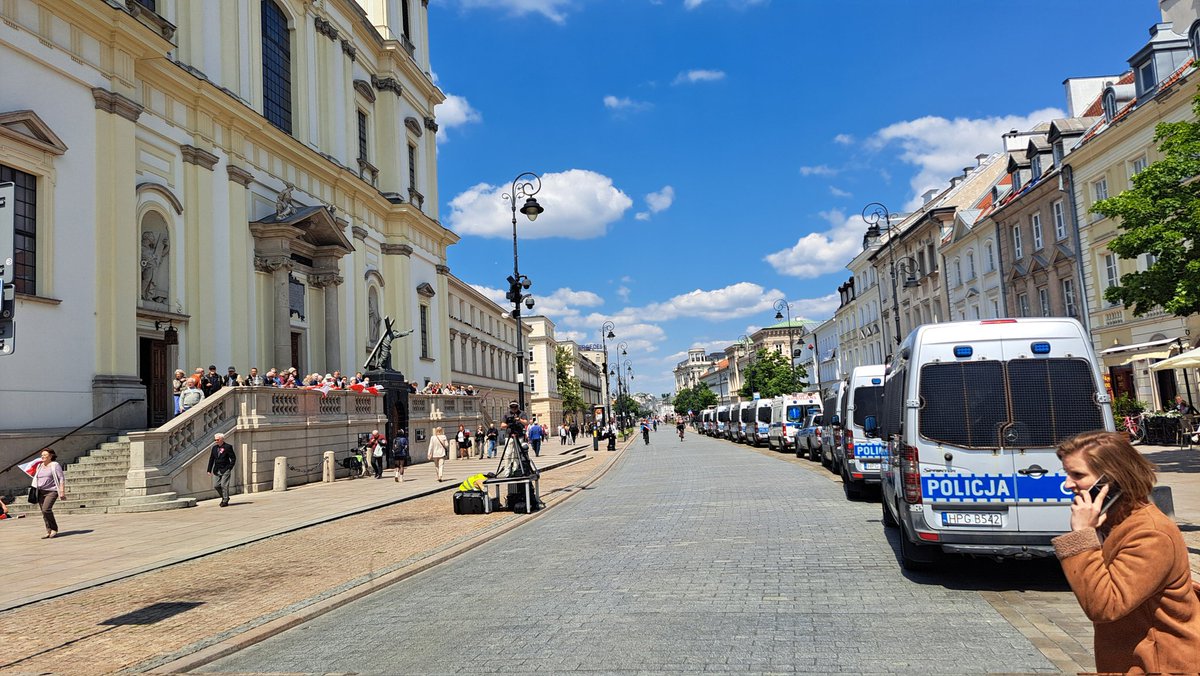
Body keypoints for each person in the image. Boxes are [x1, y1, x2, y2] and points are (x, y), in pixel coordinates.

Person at [1052, 430, 1200, 673]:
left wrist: (1081, 536)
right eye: (1067, 473)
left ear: (1111, 480)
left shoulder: (1150, 534)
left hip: (1158, 665)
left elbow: (1104, 606)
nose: (1067, 484)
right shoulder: (1113, 523)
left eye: (1077, 475)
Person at [32, 448, 65, 538]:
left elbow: (61, 478)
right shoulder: (40, 466)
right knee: (44, 512)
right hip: (40, 492)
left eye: (45, 455)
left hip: (52, 491)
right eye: (42, 455)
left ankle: (54, 529)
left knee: (46, 509)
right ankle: (49, 530)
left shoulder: (55, 465)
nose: (42, 457)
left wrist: (62, 491)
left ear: (50, 456)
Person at [206, 433, 236, 507]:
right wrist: (209, 470)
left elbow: (233, 458)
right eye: (215, 440)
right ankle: (225, 497)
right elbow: (211, 459)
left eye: (217, 439)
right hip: (217, 469)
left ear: (222, 439)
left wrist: (230, 467)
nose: (216, 441)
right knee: (216, 485)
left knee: (224, 485)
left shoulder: (228, 447)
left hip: (225, 469)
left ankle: (225, 501)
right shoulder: (214, 448)